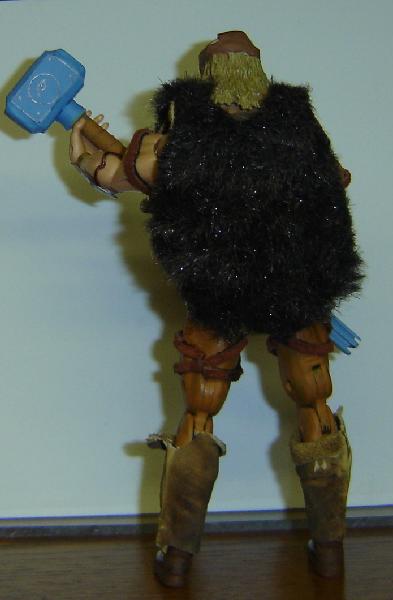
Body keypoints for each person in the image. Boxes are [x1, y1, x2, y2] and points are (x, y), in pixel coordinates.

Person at [70, 31, 363, 587]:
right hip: (295, 291)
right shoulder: (300, 131)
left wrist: (84, 151)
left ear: (208, 75)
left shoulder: (183, 138)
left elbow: (117, 172)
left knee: (200, 413)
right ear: (258, 71)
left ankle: (177, 556)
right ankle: (329, 549)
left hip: (220, 295)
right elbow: (337, 181)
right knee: (314, 400)